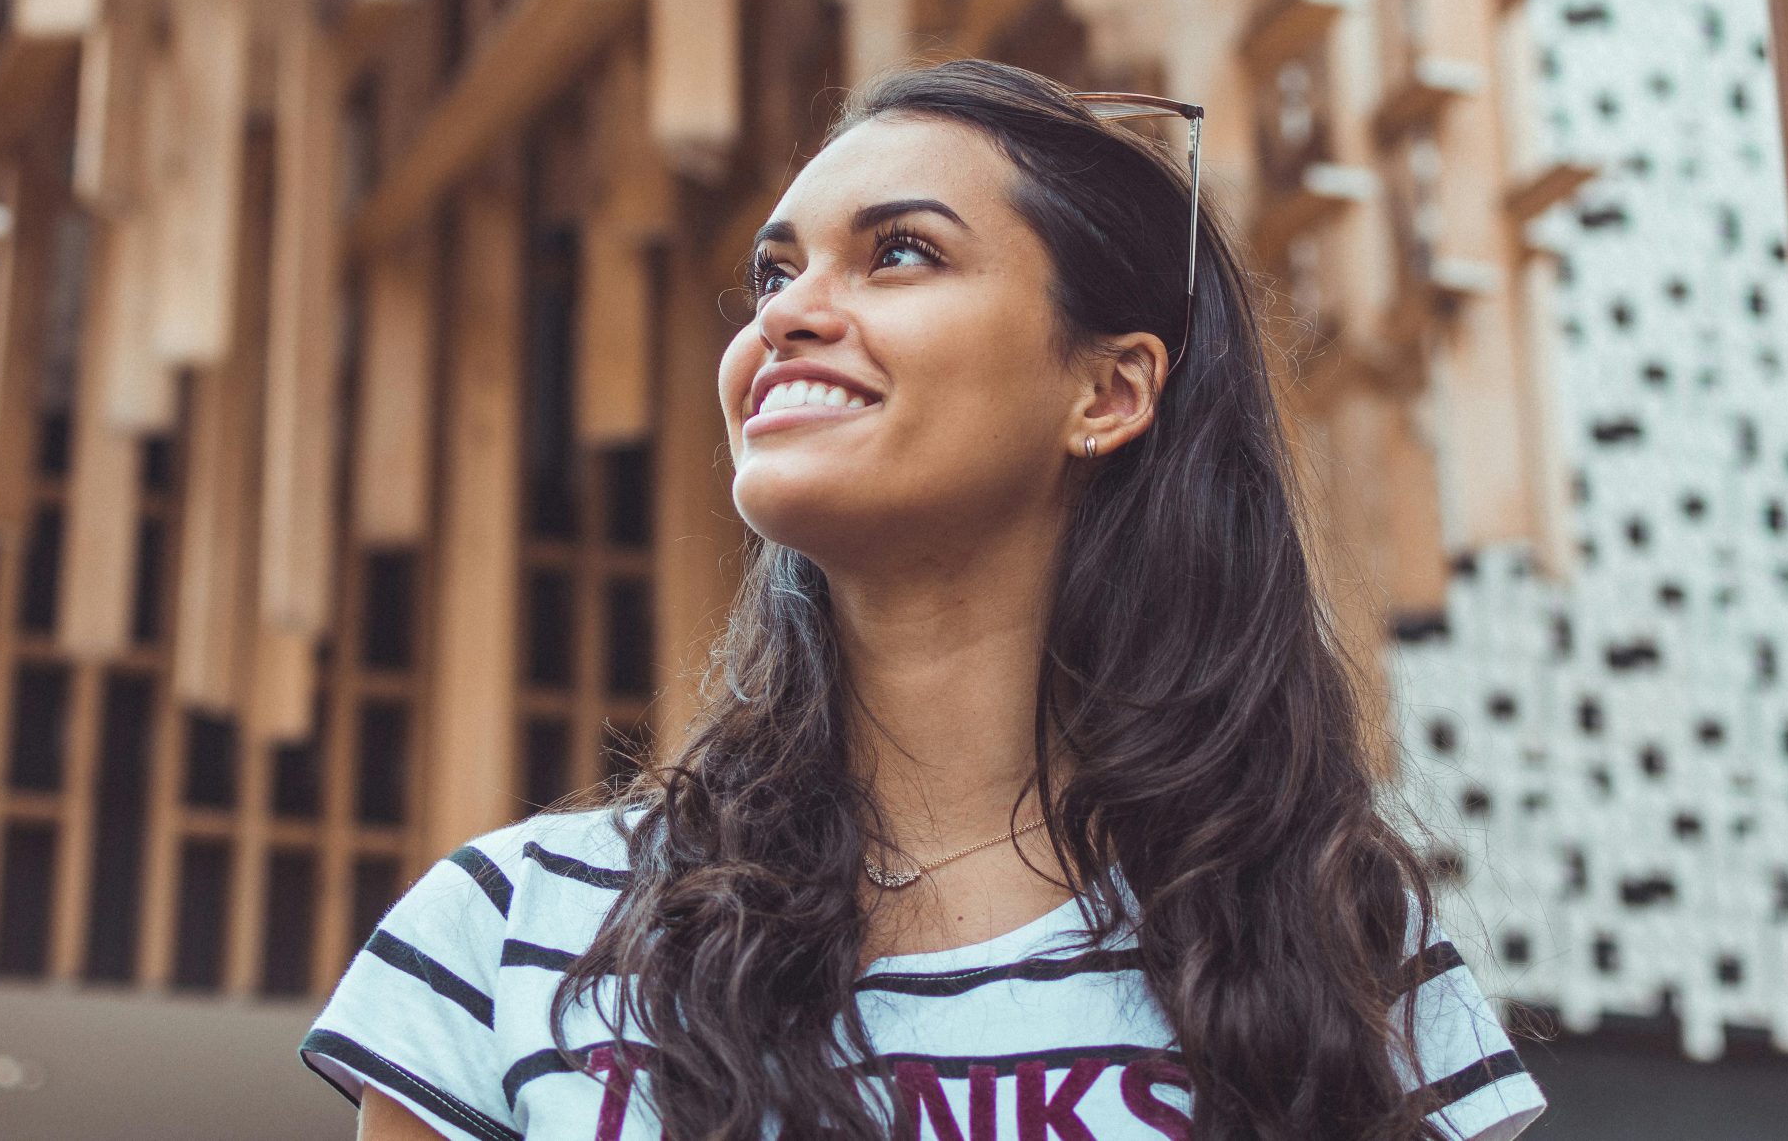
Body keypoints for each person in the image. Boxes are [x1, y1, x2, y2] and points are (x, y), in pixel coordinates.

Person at [302, 60, 1546, 1141]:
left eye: (899, 252)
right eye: (772, 272)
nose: (784, 315)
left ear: (1108, 394)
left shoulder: (1341, 958)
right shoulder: (515, 931)